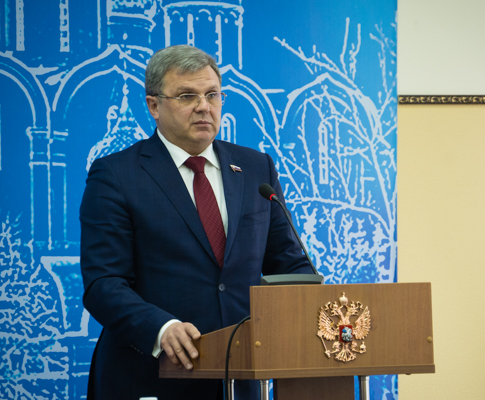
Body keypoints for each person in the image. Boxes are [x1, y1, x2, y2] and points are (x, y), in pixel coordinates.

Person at [80, 45, 313, 400]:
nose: (204, 106)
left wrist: (318, 310)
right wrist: (161, 328)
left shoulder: (256, 169)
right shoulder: (117, 175)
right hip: (151, 376)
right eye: (187, 96)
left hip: (242, 378)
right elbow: (104, 283)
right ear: (154, 106)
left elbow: (290, 266)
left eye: (212, 95)